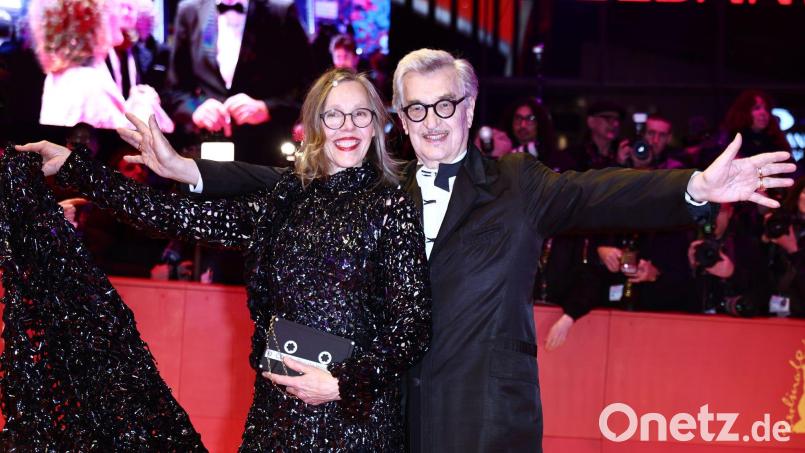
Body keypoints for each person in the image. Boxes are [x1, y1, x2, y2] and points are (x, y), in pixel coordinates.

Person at [114, 49, 795, 452]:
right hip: (386, 410)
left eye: (445, 105)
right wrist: (187, 170)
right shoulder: (382, 188)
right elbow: (282, 183)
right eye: (416, 109)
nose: (432, 121)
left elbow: (602, 194)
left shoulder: (519, 182)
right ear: (401, 120)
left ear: (469, 108)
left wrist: (698, 187)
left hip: (482, 415)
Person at [18, 68, 431, 451]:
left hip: (355, 419)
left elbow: (412, 326)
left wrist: (343, 382)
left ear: (378, 124)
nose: (348, 127)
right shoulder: (284, 200)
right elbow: (174, 215)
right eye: (334, 115)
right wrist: (76, 169)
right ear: (314, 126)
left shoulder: (390, 207)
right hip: (277, 417)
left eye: (361, 115)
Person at [165, 0, 313, 165]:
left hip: (263, 153)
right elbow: (174, 90)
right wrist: (196, 108)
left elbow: (307, 87)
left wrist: (266, 108)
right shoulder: (190, 11)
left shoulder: (280, 11)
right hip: (203, 151)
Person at [29, 0, 172, 131]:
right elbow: (115, 151)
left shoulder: (66, 74)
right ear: (91, 18)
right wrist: (144, 107)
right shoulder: (87, 84)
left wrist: (132, 106)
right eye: (114, 6)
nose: (121, 15)